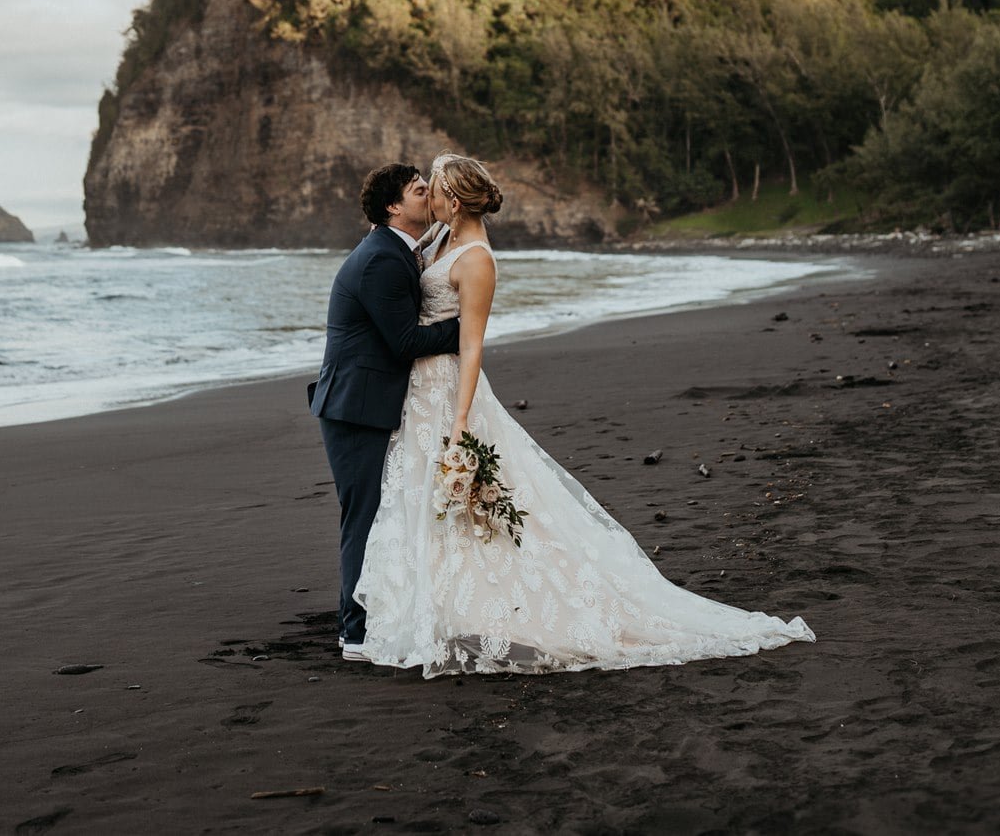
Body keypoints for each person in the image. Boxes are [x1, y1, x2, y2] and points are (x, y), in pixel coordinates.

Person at [354, 152, 815, 675]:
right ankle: (435, 606)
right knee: (424, 497)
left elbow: (474, 346)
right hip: (420, 390)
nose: (427, 197)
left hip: (453, 391)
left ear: (453, 201)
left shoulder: (477, 258)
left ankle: (509, 608)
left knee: (471, 500)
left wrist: (461, 422)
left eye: (433, 189)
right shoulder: (440, 239)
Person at [309, 162, 461, 661]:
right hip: (354, 407)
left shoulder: (397, 250)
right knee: (365, 517)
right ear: (394, 206)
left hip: (369, 402)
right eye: (420, 191)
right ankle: (354, 633)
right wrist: (467, 330)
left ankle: (377, 616)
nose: (429, 197)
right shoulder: (381, 259)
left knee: (380, 512)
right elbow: (404, 342)